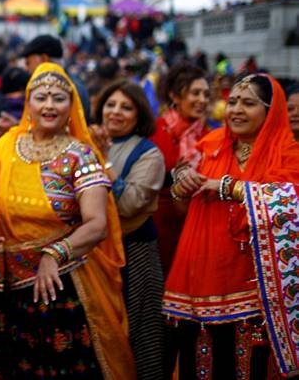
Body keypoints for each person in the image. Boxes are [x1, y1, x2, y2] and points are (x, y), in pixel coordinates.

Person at [0, 63, 134, 379]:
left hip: (59, 286)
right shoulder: (7, 146)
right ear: (29, 103)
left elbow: (97, 224)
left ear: (72, 106)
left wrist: (53, 255)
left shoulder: (81, 156)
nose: (49, 105)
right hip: (3, 285)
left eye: (58, 98)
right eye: (41, 97)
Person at [163, 74, 299, 378]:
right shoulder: (210, 146)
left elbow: (289, 204)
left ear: (270, 111)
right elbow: (185, 209)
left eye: (248, 103)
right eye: (233, 102)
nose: (236, 110)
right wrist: (181, 188)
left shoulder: (288, 153)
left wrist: (225, 186)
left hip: (255, 286)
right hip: (203, 275)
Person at [92, 80, 165, 379]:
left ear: (139, 115)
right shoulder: (87, 143)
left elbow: (128, 205)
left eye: (126, 107)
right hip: (97, 254)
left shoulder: (150, 155)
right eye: (111, 105)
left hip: (135, 255)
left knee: (139, 332)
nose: (116, 112)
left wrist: (103, 159)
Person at [151, 63, 209, 271]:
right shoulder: (155, 131)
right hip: (158, 226)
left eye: (206, 94)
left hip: (197, 225)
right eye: (195, 93)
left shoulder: (210, 136)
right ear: (175, 96)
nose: (202, 100)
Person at [19, 34, 91, 122]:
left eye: (28, 63)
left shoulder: (72, 89)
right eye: (41, 99)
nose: (26, 68)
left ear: (44, 59)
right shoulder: (73, 84)